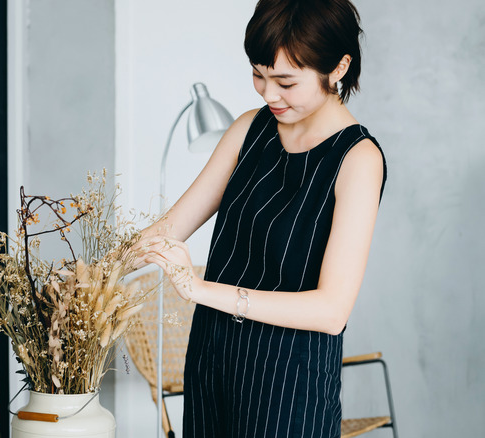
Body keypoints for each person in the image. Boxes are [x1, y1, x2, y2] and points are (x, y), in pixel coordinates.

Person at [132, 0, 387, 436]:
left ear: (339, 67)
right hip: (213, 359)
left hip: (290, 380)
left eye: (285, 81)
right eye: (259, 74)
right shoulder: (249, 129)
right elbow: (167, 230)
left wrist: (200, 290)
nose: (268, 94)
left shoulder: (358, 159)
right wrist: (86, 279)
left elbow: (331, 311)